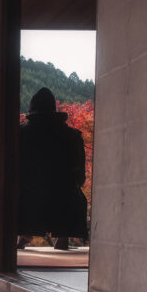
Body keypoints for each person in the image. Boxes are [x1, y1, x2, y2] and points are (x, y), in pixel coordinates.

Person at [17, 88, 88, 250]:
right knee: (71, 194)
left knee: (22, 193)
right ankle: (63, 238)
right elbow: (80, 178)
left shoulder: (21, 134)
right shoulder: (73, 136)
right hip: (65, 199)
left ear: (31, 111)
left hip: (28, 199)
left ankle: (23, 235)